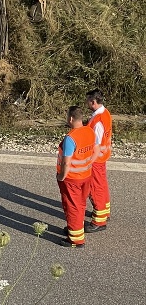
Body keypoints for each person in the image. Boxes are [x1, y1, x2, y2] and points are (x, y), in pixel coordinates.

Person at [56, 105, 95, 247]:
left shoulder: (70, 138)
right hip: (86, 175)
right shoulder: (89, 131)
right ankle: (75, 229)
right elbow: (94, 150)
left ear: (71, 119)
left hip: (72, 178)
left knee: (72, 207)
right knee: (80, 204)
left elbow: (66, 162)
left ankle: (76, 239)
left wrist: (61, 176)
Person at [85, 88, 112, 231]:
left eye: (88, 101)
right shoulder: (105, 113)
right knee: (102, 185)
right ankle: (104, 212)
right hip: (103, 156)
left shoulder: (98, 121)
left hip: (96, 159)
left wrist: (89, 161)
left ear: (93, 101)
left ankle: (99, 222)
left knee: (96, 188)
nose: (86, 103)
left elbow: (95, 143)